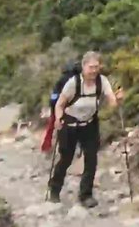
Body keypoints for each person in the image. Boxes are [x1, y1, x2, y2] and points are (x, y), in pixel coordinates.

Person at [45, 51, 117, 207]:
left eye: (97, 67)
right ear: (84, 66)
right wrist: (58, 119)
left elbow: (111, 97)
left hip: (90, 124)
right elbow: (60, 104)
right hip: (69, 125)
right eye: (91, 67)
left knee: (91, 158)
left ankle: (86, 195)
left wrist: (115, 101)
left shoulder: (102, 81)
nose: (94, 70)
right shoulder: (73, 83)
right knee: (66, 159)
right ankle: (54, 190)